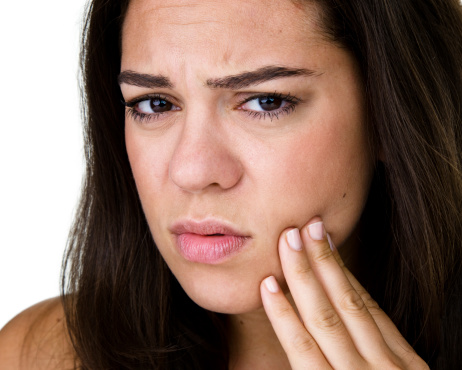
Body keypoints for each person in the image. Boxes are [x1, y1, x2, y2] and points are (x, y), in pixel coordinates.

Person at [1, 0, 461, 368]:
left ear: (387, 115)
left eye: (265, 101)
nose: (192, 171)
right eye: (156, 105)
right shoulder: (38, 354)